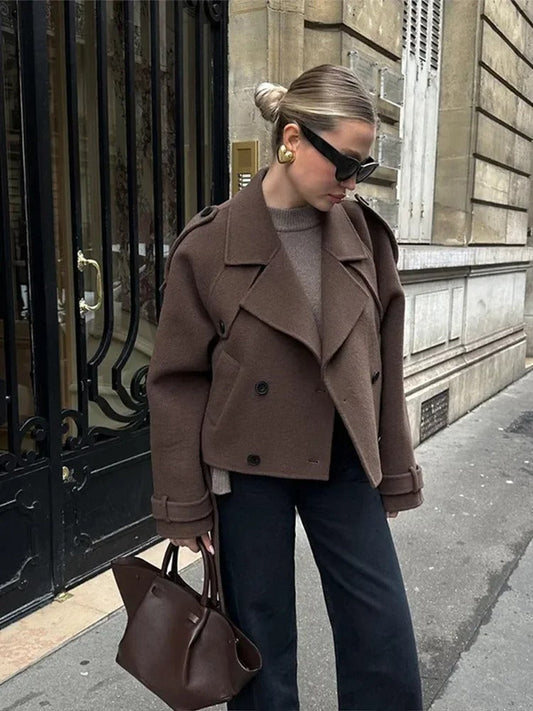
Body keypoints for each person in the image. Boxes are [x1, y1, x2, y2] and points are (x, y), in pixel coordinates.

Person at [147, 64, 424, 711]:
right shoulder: (209, 244)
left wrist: (393, 468)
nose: (352, 182)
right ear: (292, 139)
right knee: (260, 642)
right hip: (247, 472)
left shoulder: (365, 235)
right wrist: (183, 501)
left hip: (343, 458)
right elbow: (178, 380)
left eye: (364, 166)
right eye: (345, 163)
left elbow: (381, 364)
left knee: (381, 630)